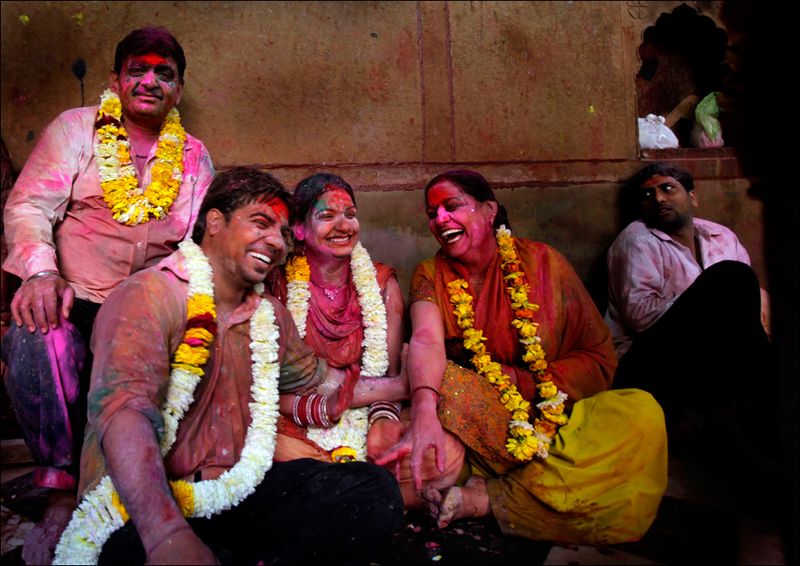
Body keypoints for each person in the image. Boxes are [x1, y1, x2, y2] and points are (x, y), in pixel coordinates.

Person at [52, 167, 403, 565]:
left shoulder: (269, 314)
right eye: (261, 223)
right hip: (143, 505)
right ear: (214, 222)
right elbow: (125, 416)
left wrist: (403, 386)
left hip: (239, 491)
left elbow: (320, 380)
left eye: (283, 231)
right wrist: (166, 534)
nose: (275, 241)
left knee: (372, 492)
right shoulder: (148, 295)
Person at [1, 26, 214, 564]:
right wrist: (40, 274)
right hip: (75, 295)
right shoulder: (76, 130)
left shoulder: (192, 155)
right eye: (137, 70)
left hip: (148, 308)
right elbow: (28, 207)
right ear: (116, 80)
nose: (149, 81)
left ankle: (136, 485)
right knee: (38, 333)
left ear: (178, 90)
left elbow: (201, 241)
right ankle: (60, 489)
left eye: (163, 73)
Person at [375, 170, 667, 545]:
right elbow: (427, 340)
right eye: (432, 214)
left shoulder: (545, 262)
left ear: (489, 209)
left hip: (559, 413)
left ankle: (487, 498)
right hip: (482, 421)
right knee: (442, 379)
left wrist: (525, 384)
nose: (440, 220)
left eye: (452, 206)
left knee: (641, 412)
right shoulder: (430, 274)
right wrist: (426, 411)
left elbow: (596, 355)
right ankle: (507, 487)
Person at [605, 162, 771, 443]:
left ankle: (755, 409)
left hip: (711, 357)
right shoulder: (636, 241)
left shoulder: (721, 236)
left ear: (692, 197)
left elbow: (749, 305)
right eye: (647, 195)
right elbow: (640, 317)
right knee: (730, 276)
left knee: (739, 288)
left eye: (667, 188)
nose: (658, 198)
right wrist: (707, 302)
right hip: (646, 360)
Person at [266, 173, 407, 464]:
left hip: (370, 410)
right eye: (327, 216)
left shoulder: (381, 285)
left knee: (430, 448)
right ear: (300, 229)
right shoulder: (277, 286)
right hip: (298, 414)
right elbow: (273, 387)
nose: (343, 225)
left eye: (350, 214)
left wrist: (383, 420)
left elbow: (391, 376)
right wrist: (322, 409)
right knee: (263, 441)